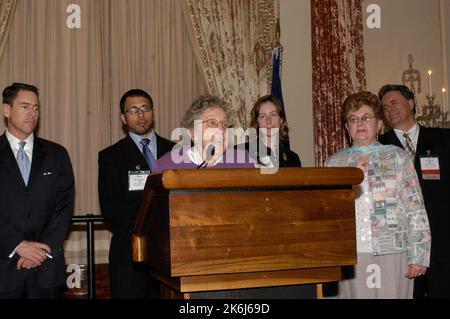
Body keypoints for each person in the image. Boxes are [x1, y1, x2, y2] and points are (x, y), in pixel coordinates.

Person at [325, 91, 431, 299]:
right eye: (353, 119)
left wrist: (419, 255)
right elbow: (329, 214)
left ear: (379, 124)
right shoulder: (334, 163)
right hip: (349, 253)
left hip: (393, 250)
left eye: (366, 117)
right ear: (347, 128)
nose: (360, 123)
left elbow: (415, 208)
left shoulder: (398, 157)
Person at [98, 89, 175, 299]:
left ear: (153, 112)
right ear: (123, 118)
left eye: (145, 108)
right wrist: (149, 228)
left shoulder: (176, 151)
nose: (141, 115)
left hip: (170, 252)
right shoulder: (110, 156)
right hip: (129, 254)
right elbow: (111, 208)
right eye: (133, 110)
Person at [0, 82, 75, 299]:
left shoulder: (57, 154)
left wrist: (40, 251)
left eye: (36, 108)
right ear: (6, 109)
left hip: (46, 268)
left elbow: (64, 207)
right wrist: (17, 245)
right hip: (5, 267)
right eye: (25, 107)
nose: (32, 114)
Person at [378, 84, 450, 299]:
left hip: (443, 241)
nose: (389, 109)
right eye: (384, 107)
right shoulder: (380, 146)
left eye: (394, 103)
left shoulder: (443, 139)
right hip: (403, 246)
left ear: (411, 104)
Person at [152, 95, 253, 171]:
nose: (221, 130)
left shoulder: (243, 161)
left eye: (225, 124)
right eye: (212, 123)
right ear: (192, 132)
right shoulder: (166, 166)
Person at [245, 95, 301, 168]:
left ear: (281, 120)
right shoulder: (242, 153)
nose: (268, 121)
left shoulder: (293, 159)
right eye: (262, 116)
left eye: (273, 115)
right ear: (257, 122)